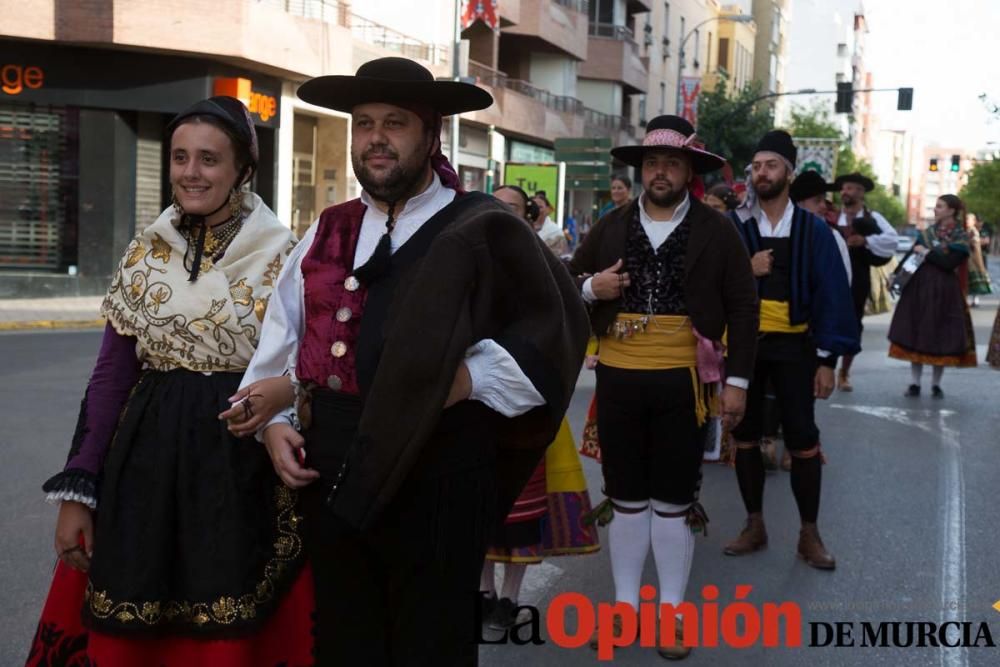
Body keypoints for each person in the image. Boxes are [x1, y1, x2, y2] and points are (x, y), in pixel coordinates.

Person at [234, 57, 589, 665]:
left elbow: (555, 330)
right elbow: (282, 345)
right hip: (333, 475)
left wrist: (470, 376)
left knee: (432, 645)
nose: (375, 138)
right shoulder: (327, 232)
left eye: (395, 123)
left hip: (440, 471)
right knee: (346, 641)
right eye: (364, 122)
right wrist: (274, 425)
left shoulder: (483, 227)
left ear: (433, 135)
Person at [28, 97, 310, 666]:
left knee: (232, 616)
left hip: (241, 459)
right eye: (180, 157)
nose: (190, 172)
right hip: (145, 459)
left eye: (208, 159)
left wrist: (289, 393)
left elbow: (311, 366)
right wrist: (80, 487)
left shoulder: (288, 256)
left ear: (242, 169)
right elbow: (111, 376)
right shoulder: (144, 253)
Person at [567, 115, 758, 660]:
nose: (660, 171)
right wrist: (590, 286)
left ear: (688, 171)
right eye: (652, 162)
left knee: (672, 503)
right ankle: (625, 611)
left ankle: (672, 613)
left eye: (672, 163)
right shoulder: (610, 224)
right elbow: (566, 280)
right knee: (626, 500)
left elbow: (744, 308)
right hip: (620, 378)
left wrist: (737, 382)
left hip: (683, 382)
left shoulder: (717, 230)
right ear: (641, 168)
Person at [725, 131, 859, 571]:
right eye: (757, 166)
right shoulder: (735, 228)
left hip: (796, 347)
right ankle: (754, 524)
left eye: (771, 165)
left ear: (789, 172)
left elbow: (834, 297)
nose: (762, 172)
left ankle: (809, 533)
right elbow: (710, 285)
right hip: (745, 347)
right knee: (743, 434)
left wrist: (826, 361)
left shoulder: (816, 232)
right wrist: (746, 269)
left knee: (802, 436)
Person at [481, 185, 600, 630]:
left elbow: (569, 318)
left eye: (511, 209)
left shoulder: (548, 269)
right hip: (476, 404)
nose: (500, 216)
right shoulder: (465, 261)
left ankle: (510, 598)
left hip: (531, 404)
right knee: (479, 504)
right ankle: (483, 592)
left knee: (524, 510)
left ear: (530, 219)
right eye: (493, 208)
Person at [888, 194, 977, 397]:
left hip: (945, 290)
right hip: (919, 287)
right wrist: (896, 276)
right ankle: (915, 383)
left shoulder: (961, 237)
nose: (935, 210)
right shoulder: (928, 233)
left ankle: (936, 384)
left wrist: (927, 252)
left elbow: (948, 264)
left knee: (941, 333)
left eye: (939, 206)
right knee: (916, 330)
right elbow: (911, 256)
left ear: (951, 211)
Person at [832, 172, 898, 391]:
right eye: (843, 188)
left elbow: (891, 239)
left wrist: (866, 240)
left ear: (860, 192)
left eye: (850, 188)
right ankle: (823, 368)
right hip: (829, 277)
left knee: (852, 325)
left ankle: (844, 372)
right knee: (824, 320)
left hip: (857, 280)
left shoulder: (872, 217)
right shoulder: (831, 215)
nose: (844, 192)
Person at [966, 213, 993, 305]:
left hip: (974, 258)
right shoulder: (964, 231)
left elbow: (981, 244)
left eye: (968, 219)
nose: (966, 221)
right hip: (965, 259)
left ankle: (975, 299)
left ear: (974, 222)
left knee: (975, 278)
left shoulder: (974, 232)